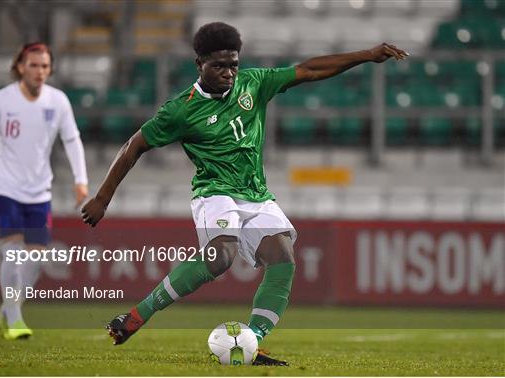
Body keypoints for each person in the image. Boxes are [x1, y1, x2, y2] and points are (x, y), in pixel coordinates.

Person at [81, 22, 407, 365]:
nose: (228, 72)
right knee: (221, 256)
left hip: (256, 193)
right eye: (218, 66)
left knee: (283, 259)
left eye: (233, 64)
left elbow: (309, 69)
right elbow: (134, 146)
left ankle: (252, 341)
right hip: (214, 192)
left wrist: (367, 55)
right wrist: (103, 197)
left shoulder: (254, 83)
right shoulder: (180, 109)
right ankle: (135, 317)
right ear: (199, 65)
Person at [0, 42, 89, 340]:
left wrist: (80, 179)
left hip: (39, 192)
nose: (40, 71)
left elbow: (72, 140)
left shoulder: (57, 101)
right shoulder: (0, 101)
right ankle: (16, 320)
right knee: (14, 254)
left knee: (34, 261)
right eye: (34, 65)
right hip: (5, 188)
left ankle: (7, 309)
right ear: (21, 67)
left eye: (45, 66)